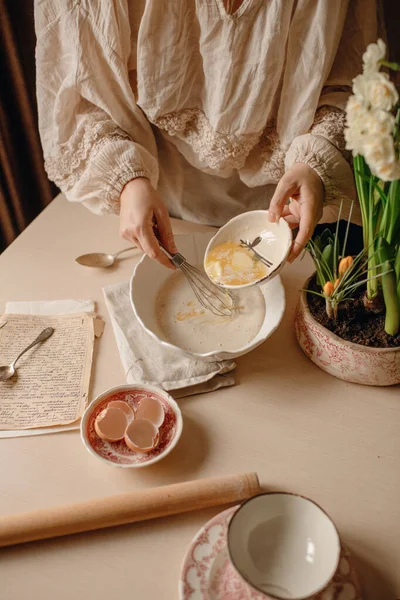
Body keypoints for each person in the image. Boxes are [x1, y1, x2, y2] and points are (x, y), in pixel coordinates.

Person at [35, 0, 379, 268]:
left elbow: (350, 80)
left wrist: (313, 167)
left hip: (294, 215)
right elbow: (77, 90)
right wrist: (127, 182)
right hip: (159, 207)